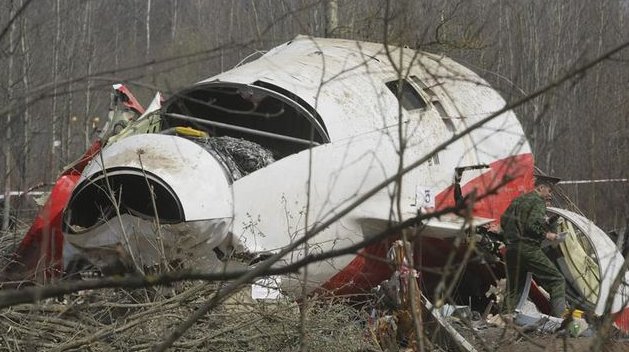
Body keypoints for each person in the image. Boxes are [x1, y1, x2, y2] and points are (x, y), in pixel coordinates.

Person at [501, 174, 566, 317]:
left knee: (514, 288)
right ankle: (560, 320)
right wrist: (549, 235)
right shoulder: (538, 201)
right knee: (557, 280)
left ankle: (506, 319)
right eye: (549, 191)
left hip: (511, 249)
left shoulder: (518, 200)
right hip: (527, 248)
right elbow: (531, 225)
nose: (550, 195)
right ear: (541, 187)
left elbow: (504, 221)